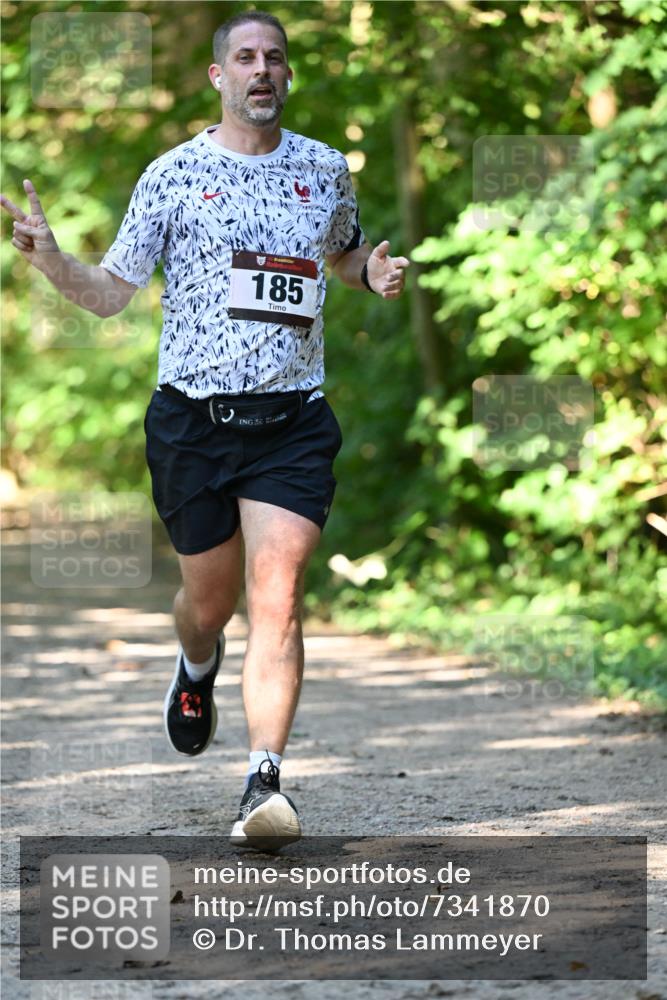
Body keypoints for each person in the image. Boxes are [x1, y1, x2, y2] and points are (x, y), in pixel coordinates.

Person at [1, 10, 408, 850]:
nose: (262, 70)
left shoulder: (325, 170)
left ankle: (264, 780)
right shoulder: (172, 176)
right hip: (193, 423)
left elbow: (339, 253)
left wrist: (366, 272)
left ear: (287, 77)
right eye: (245, 58)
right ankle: (195, 667)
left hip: (293, 421)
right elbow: (112, 291)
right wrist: (48, 258)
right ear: (217, 77)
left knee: (279, 597)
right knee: (208, 604)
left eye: (275, 59)